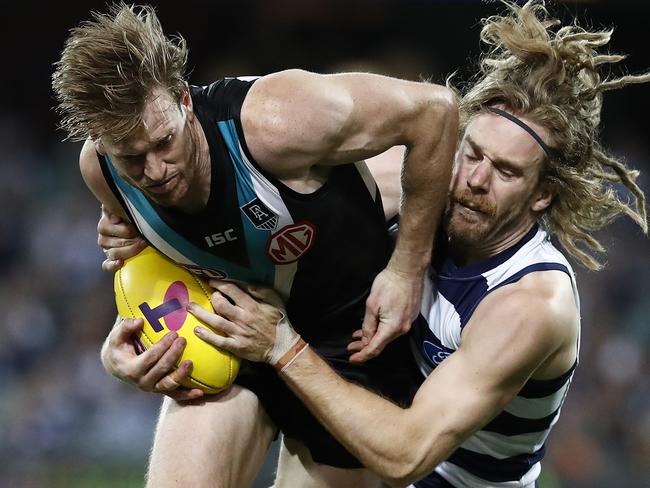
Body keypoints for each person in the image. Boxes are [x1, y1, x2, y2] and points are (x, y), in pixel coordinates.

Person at [186, 1, 649, 487]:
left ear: (543, 195)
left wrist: (281, 345)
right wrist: (136, 241)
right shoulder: (423, 187)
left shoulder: (529, 302)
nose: (474, 179)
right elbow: (253, 200)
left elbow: (408, 455)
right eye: (471, 153)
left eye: (506, 172)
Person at [51, 2, 458, 487]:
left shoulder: (277, 122)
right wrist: (126, 347)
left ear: (184, 100)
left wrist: (407, 268)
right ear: (101, 141)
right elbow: (152, 268)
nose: (154, 172)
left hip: (349, 345)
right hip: (233, 341)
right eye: (132, 158)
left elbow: (435, 111)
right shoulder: (101, 172)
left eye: (164, 144)